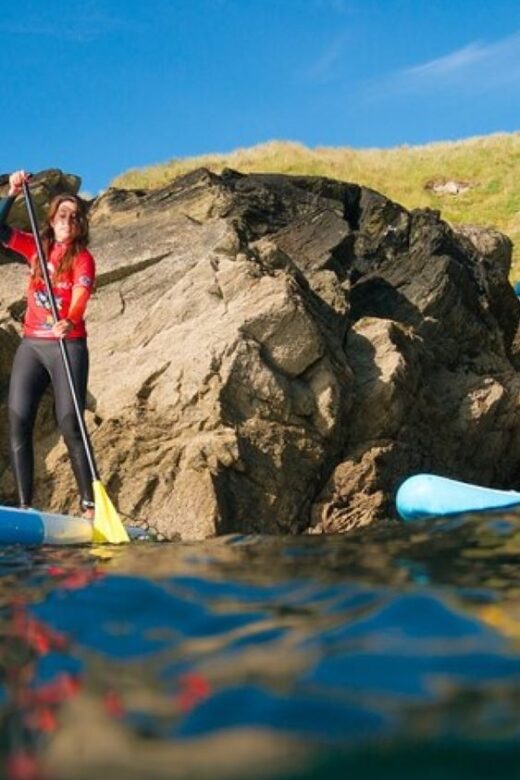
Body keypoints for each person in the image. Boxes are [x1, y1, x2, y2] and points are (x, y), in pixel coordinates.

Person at [0, 170, 96, 518]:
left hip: (67, 346)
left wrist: (69, 318)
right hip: (32, 346)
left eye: (74, 216)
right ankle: (26, 507)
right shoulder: (35, 247)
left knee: (70, 421)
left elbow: (81, 296)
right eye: (61, 215)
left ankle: (89, 505)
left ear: (80, 223)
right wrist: (11, 193)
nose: (67, 221)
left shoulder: (83, 259)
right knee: (18, 419)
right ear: (52, 219)